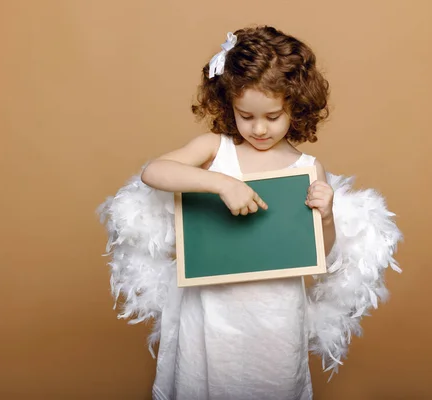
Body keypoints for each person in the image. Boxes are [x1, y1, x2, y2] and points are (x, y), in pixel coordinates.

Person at [140, 25, 333, 400]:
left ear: (296, 105)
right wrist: (221, 183)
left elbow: (319, 255)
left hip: (275, 313)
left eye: (273, 116)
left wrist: (325, 216)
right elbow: (153, 172)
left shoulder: (306, 168)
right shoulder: (215, 149)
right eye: (246, 116)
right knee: (206, 383)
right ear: (228, 105)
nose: (259, 129)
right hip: (212, 308)